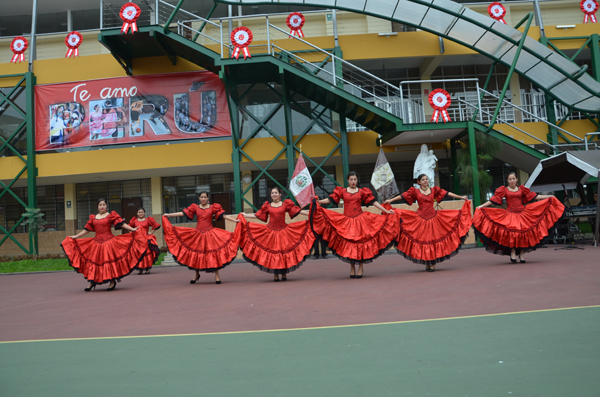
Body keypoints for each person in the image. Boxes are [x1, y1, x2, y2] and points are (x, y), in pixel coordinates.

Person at [312, 172, 398, 279]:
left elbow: (374, 202)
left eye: (355, 179)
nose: (353, 181)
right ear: (348, 180)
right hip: (347, 221)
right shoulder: (342, 191)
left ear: (357, 180)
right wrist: (319, 202)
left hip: (360, 220)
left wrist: (386, 210)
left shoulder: (362, 191)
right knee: (350, 244)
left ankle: (361, 267)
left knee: (360, 243)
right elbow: (331, 200)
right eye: (351, 179)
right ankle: (352, 267)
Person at [384, 174, 472, 272]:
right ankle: (427, 262)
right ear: (419, 182)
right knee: (424, 240)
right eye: (423, 179)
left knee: (433, 239)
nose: (426, 181)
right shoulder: (415, 191)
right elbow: (403, 196)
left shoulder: (434, 190)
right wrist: (390, 200)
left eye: (426, 179)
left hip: (434, 218)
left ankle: (432, 262)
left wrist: (461, 197)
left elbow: (447, 193)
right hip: (420, 219)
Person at [473, 172, 565, 263]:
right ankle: (513, 251)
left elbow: (534, 196)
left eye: (513, 178)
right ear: (507, 181)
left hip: (523, 213)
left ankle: (521, 254)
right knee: (513, 234)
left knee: (523, 234)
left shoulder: (522, 189)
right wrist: (482, 206)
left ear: (516, 179)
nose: (512, 180)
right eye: (510, 179)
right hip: (510, 214)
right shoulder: (504, 190)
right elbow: (493, 200)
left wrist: (549, 196)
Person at [61, 198, 147, 291]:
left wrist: (133, 229)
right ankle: (91, 282)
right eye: (100, 205)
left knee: (109, 262)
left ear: (106, 206)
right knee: (94, 263)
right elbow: (87, 229)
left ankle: (112, 282)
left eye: (104, 204)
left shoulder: (111, 215)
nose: (102, 206)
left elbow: (121, 223)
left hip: (109, 242)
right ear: (97, 207)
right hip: (96, 244)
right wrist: (76, 236)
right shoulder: (93, 217)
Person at [163, 192, 240, 284]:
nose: (203, 199)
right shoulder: (195, 207)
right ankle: (196, 275)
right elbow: (183, 213)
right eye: (201, 197)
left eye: (205, 197)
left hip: (210, 233)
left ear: (208, 198)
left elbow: (223, 216)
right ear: (199, 198)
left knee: (214, 253)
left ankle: (217, 276)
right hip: (198, 233)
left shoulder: (213, 207)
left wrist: (235, 220)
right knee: (196, 254)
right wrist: (169, 215)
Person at [238, 187, 314, 281]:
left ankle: (284, 273)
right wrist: (245, 215)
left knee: (283, 252)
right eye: (272, 193)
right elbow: (257, 215)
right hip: (271, 232)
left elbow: (297, 212)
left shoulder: (285, 204)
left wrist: (311, 213)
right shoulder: (267, 206)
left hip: (284, 231)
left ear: (279, 194)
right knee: (274, 253)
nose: (274, 194)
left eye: (276, 193)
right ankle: (276, 274)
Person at [129, 207, 161, 274]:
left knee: (147, 253)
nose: (141, 213)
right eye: (139, 212)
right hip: (137, 240)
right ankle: (140, 269)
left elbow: (156, 225)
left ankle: (147, 269)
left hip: (146, 239)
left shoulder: (148, 220)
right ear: (137, 213)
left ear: (144, 213)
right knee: (139, 254)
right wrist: (132, 232)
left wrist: (151, 232)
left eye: (142, 212)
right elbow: (129, 228)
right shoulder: (134, 221)